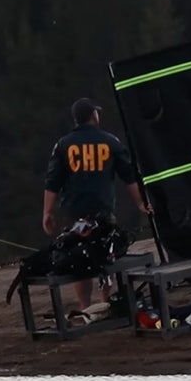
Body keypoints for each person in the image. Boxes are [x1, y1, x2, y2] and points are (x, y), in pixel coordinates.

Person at [43, 97, 152, 310]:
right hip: (103, 211)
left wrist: (47, 212)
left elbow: (52, 182)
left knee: (78, 259)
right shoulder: (110, 141)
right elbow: (129, 176)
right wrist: (141, 203)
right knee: (105, 253)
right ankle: (104, 302)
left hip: (73, 212)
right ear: (94, 115)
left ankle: (86, 308)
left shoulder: (63, 144)